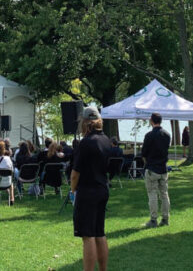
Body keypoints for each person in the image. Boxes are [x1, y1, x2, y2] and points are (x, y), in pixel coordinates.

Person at [70, 106, 111, 271]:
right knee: (100, 233)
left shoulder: (86, 143)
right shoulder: (106, 140)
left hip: (88, 191)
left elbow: (75, 174)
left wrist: (73, 190)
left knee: (88, 236)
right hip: (102, 189)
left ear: (85, 122)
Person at [141, 112, 171, 228]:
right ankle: (165, 218)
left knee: (152, 194)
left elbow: (144, 153)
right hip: (163, 168)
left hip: (152, 168)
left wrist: (146, 163)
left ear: (151, 121)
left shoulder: (149, 135)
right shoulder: (167, 135)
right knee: (164, 194)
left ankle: (153, 220)